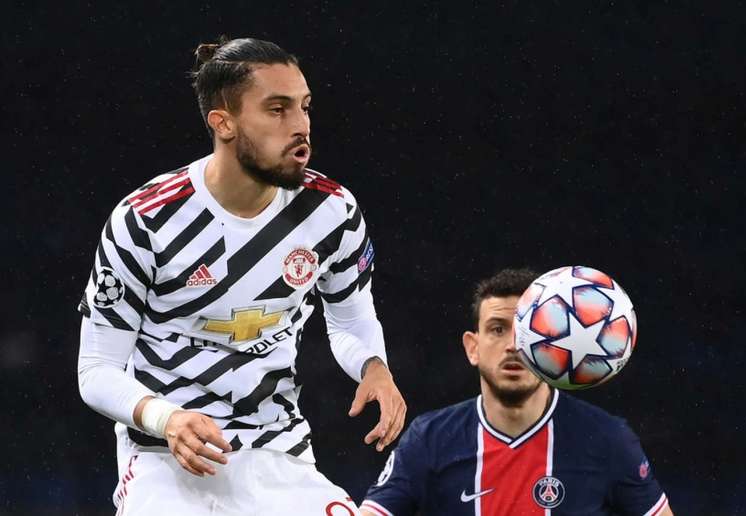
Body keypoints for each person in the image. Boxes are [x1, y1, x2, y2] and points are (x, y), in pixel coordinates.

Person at [77, 37, 405, 515]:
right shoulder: (146, 219)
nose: (301, 127)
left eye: (305, 107)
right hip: (165, 459)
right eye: (277, 110)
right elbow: (96, 370)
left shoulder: (332, 212)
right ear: (223, 122)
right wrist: (167, 419)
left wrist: (374, 367)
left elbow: (350, 320)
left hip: (279, 452)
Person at [361, 268, 672, 516]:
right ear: (473, 347)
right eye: (497, 329)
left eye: (528, 330)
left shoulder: (607, 439)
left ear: (555, 343)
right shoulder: (428, 439)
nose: (514, 345)